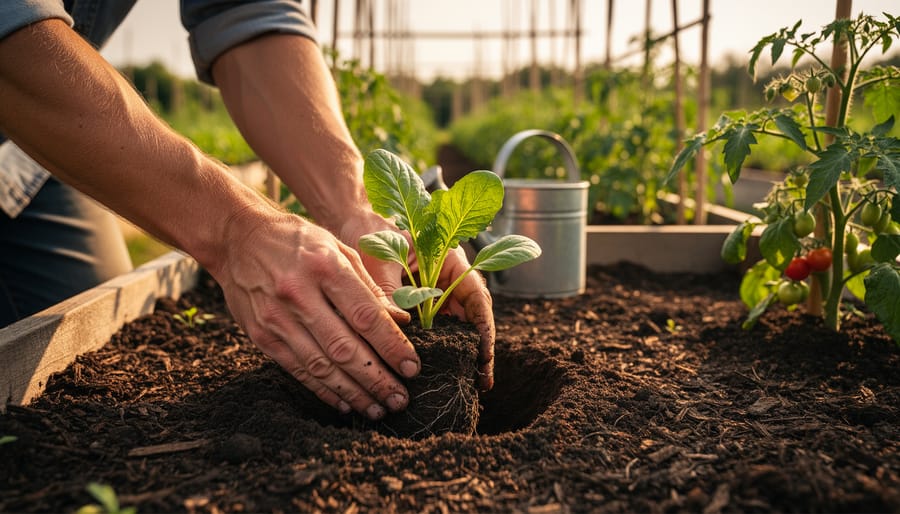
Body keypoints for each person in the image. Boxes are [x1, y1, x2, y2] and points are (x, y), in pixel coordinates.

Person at [0, 0, 495, 421]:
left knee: (72, 352)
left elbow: (245, 13)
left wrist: (355, 209)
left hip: (22, 158)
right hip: (27, 90)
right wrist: (234, 229)